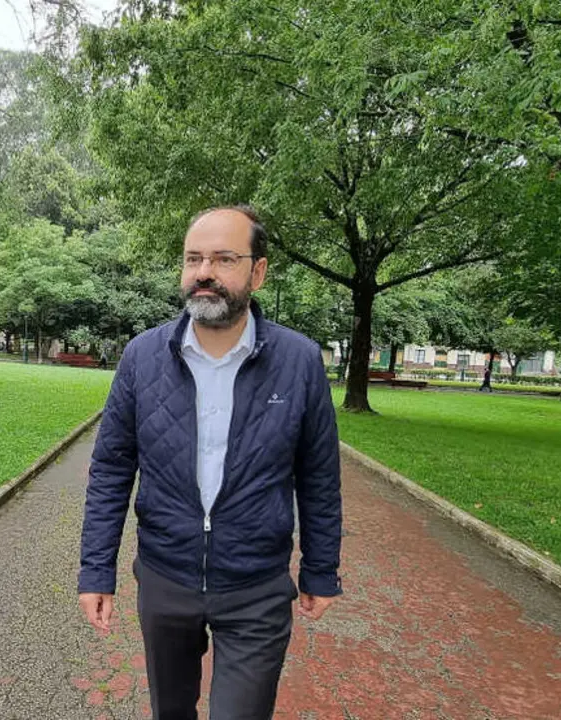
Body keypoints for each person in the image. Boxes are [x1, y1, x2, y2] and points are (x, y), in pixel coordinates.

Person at [78, 206, 343, 720]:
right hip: (166, 578)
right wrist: (96, 571)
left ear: (257, 272)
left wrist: (320, 569)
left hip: (256, 586)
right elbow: (111, 469)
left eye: (224, 259)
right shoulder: (142, 357)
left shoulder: (299, 361)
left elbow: (318, 476)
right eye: (193, 259)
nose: (204, 272)